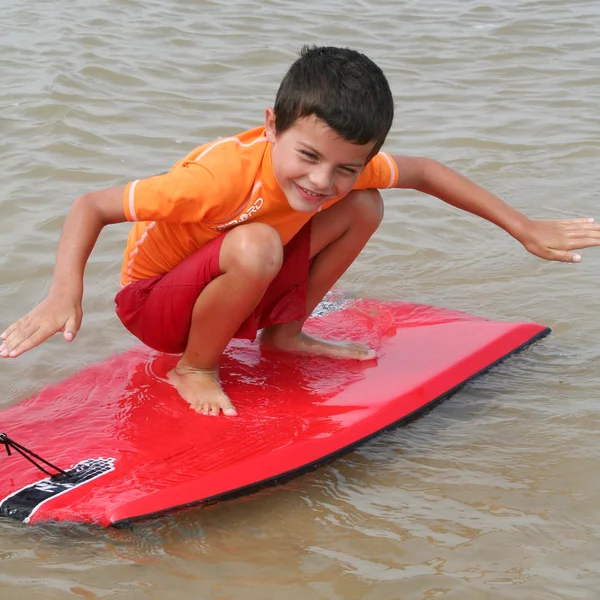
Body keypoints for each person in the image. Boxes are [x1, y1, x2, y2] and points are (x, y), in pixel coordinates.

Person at [1, 46, 599, 417]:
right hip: (155, 309)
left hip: (233, 282)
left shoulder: (344, 172)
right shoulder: (218, 178)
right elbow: (90, 205)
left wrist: (523, 228)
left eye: (345, 165)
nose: (321, 180)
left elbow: (423, 172)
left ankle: (283, 334)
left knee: (365, 207)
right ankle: (195, 368)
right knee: (258, 241)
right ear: (271, 126)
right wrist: (63, 293)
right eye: (308, 156)